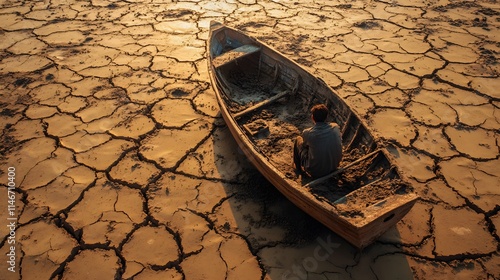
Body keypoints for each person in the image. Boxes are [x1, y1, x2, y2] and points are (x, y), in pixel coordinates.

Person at [293, 104, 342, 178]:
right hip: (334, 166)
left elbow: (304, 146)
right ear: (326, 117)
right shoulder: (335, 127)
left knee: (298, 140)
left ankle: (298, 169)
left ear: (312, 117)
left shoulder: (307, 132)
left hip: (315, 171)